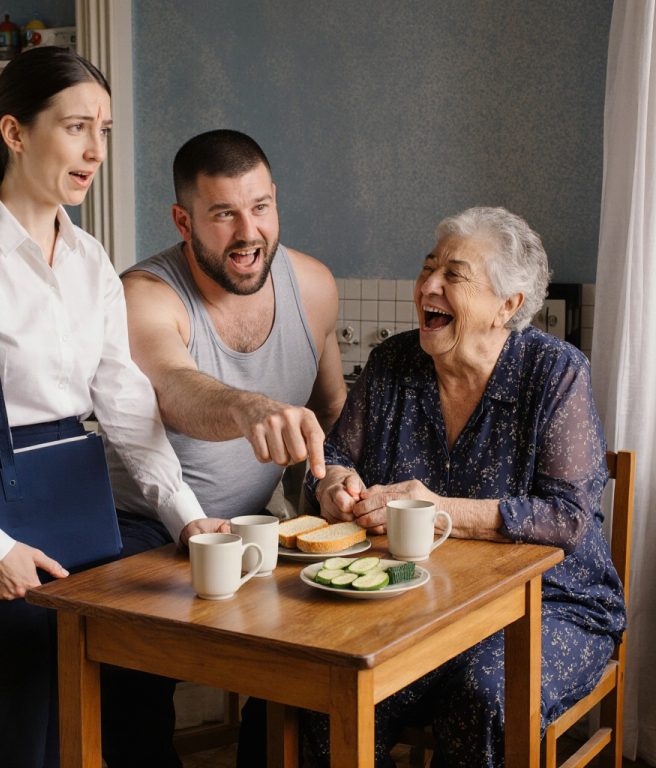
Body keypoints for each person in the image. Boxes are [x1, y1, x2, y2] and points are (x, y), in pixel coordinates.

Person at [0, 47, 204, 768]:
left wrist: (184, 513)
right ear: (16, 132)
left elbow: (122, 400)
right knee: (20, 746)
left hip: (76, 500)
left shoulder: (90, 258)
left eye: (105, 130)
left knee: (99, 724)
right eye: (76, 127)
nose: (95, 150)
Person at [300, 207, 626, 767]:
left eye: (454, 274)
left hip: (552, 604)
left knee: (482, 696)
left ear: (508, 305)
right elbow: (333, 456)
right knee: (325, 686)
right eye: (428, 269)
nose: (428, 286)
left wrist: (439, 509)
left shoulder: (555, 373)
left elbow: (568, 517)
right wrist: (333, 483)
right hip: (417, 600)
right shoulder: (394, 363)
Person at [102, 129, 347, 766]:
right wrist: (246, 406)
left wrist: (336, 476)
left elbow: (333, 409)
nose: (248, 232)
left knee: (312, 663)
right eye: (223, 214)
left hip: (258, 527)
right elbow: (173, 388)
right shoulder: (142, 294)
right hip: (143, 527)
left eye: (260, 207)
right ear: (184, 220)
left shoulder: (313, 285)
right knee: (130, 673)